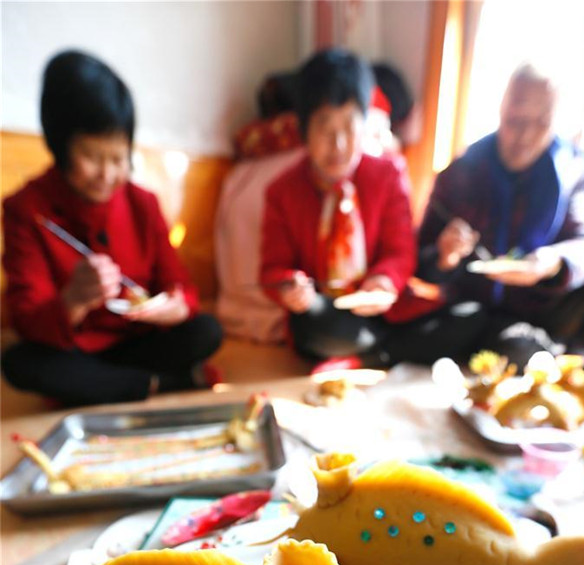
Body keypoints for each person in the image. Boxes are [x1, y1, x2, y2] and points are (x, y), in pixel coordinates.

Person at [2, 50, 223, 407]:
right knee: (19, 363)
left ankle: (112, 387)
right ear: (60, 146)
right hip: (72, 351)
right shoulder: (27, 210)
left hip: (138, 343)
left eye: (118, 158)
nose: (107, 174)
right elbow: (27, 320)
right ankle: (158, 385)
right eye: (91, 157)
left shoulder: (142, 203)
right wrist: (73, 300)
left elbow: (180, 287)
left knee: (206, 330)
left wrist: (175, 307)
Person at [260, 48, 485, 372]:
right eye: (325, 128)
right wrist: (290, 286)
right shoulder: (281, 190)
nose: (338, 145)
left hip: (386, 310)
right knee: (311, 325)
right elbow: (272, 269)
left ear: (364, 124)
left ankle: (368, 355)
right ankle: (387, 351)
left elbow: (401, 251)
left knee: (470, 317)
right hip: (329, 312)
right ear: (304, 129)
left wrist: (383, 281)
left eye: (349, 126)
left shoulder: (388, 173)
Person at [418, 63, 584, 366]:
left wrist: (552, 263)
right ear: (501, 109)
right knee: (453, 330)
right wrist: (446, 255)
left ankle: (552, 354)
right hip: (474, 308)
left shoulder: (573, 168)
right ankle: (546, 355)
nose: (526, 135)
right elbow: (421, 260)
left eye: (542, 122)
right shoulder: (464, 169)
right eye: (516, 120)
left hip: (546, 307)